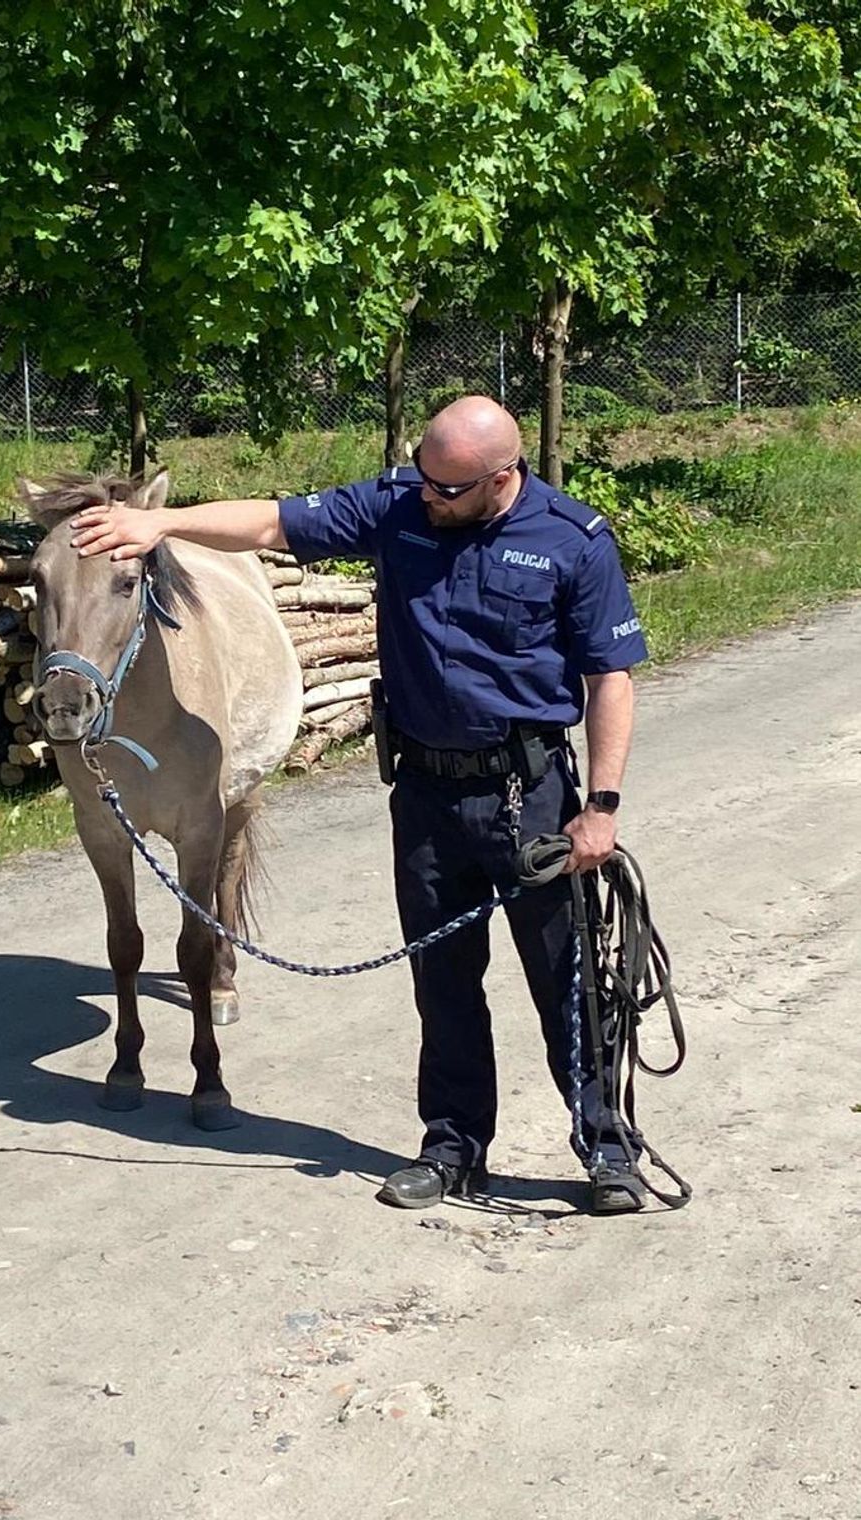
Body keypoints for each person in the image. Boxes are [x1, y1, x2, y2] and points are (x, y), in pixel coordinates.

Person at [68, 396, 650, 1214]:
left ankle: (607, 1148)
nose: (430, 499)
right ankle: (452, 1149)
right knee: (442, 984)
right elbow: (270, 524)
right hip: (424, 792)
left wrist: (602, 805)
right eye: (424, 481)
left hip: (532, 796)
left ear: (501, 478)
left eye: (448, 490)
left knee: (568, 979)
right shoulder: (400, 505)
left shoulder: (572, 540)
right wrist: (160, 526)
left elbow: (608, 679)